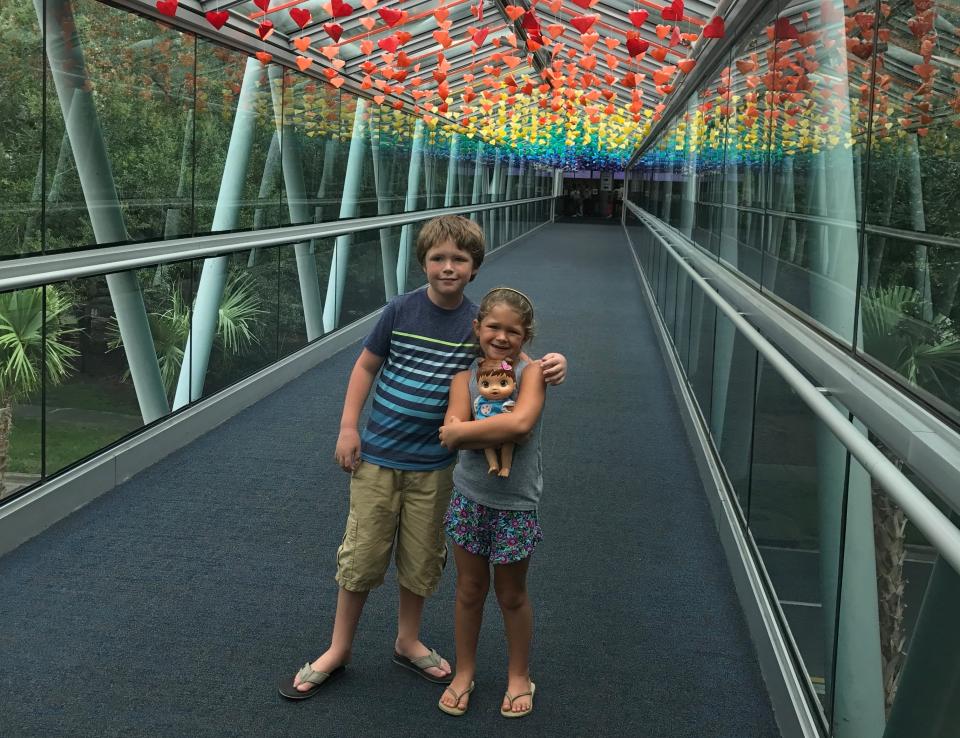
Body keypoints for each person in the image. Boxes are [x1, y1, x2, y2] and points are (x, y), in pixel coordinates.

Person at [279, 216, 566, 699]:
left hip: (434, 467)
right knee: (362, 555)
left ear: (475, 267)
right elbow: (366, 366)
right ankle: (339, 647)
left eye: (459, 259)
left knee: (420, 558)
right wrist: (349, 427)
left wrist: (557, 362)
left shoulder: (478, 325)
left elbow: (513, 358)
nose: (448, 267)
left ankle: (407, 639)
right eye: (438, 258)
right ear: (424, 263)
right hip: (379, 456)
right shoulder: (400, 310)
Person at [435, 287, 546, 719]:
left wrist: (466, 433)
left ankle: (520, 676)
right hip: (470, 497)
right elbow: (450, 430)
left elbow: (519, 425)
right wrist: (465, 432)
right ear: (477, 328)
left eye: (513, 331)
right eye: (493, 327)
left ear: (525, 337)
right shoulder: (463, 377)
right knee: (468, 590)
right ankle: (464, 672)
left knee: (512, 593)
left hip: (516, 503)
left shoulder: (531, 373)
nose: (502, 336)